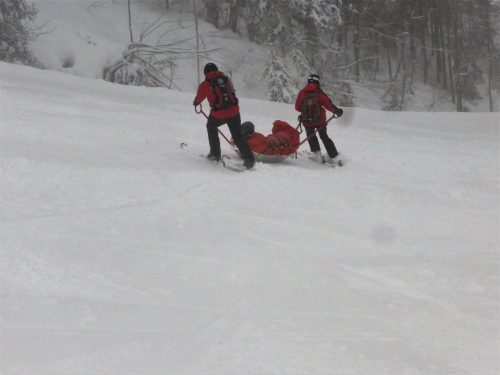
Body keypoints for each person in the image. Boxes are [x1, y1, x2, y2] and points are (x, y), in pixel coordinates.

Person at [193, 63, 255, 169]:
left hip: (219, 114)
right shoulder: (226, 79)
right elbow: (232, 92)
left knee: (211, 126)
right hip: (234, 112)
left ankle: (215, 154)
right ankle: (249, 159)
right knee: (237, 135)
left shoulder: (206, 84)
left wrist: (196, 103)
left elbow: (199, 98)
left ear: (205, 73)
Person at [295, 74, 343, 163]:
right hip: (320, 120)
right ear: (317, 82)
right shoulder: (319, 93)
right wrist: (337, 111)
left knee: (311, 137)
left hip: (307, 121)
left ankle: (316, 154)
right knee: (324, 137)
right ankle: (334, 156)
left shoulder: (302, 92)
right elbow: (328, 105)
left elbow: (297, 107)